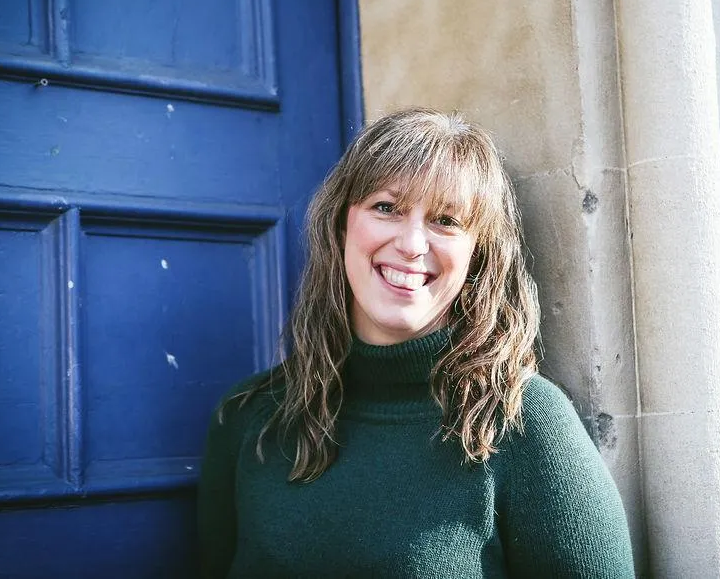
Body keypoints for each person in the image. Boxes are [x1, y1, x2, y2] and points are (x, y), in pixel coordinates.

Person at [197, 108, 635, 578]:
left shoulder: (525, 423)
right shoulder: (249, 418)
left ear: (476, 255)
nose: (411, 244)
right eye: (387, 208)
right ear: (342, 225)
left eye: (445, 220)